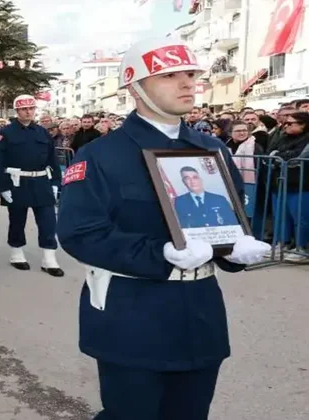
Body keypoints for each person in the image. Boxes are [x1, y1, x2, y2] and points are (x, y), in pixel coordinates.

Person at [56, 37, 271, 420]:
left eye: (190, 74)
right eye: (170, 75)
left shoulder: (212, 150)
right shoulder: (101, 155)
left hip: (201, 313)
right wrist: (160, 254)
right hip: (133, 315)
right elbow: (80, 233)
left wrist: (235, 247)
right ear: (135, 88)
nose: (188, 83)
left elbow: (228, 217)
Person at [0, 94, 64, 277]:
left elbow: (52, 159)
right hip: (17, 181)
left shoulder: (42, 132)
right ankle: (16, 253)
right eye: (24, 109)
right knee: (17, 220)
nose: (28, 112)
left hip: (41, 181)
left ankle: (49, 258)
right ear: (17, 111)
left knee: (48, 220)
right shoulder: (5, 133)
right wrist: (2, 187)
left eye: (31, 108)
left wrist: (55, 182)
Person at [173, 166, 238, 228]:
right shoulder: (179, 202)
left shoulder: (219, 199)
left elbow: (233, 224)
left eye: (195, 177)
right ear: (183, 182)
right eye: (187, 178)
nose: (192, 181)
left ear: (201, 179)